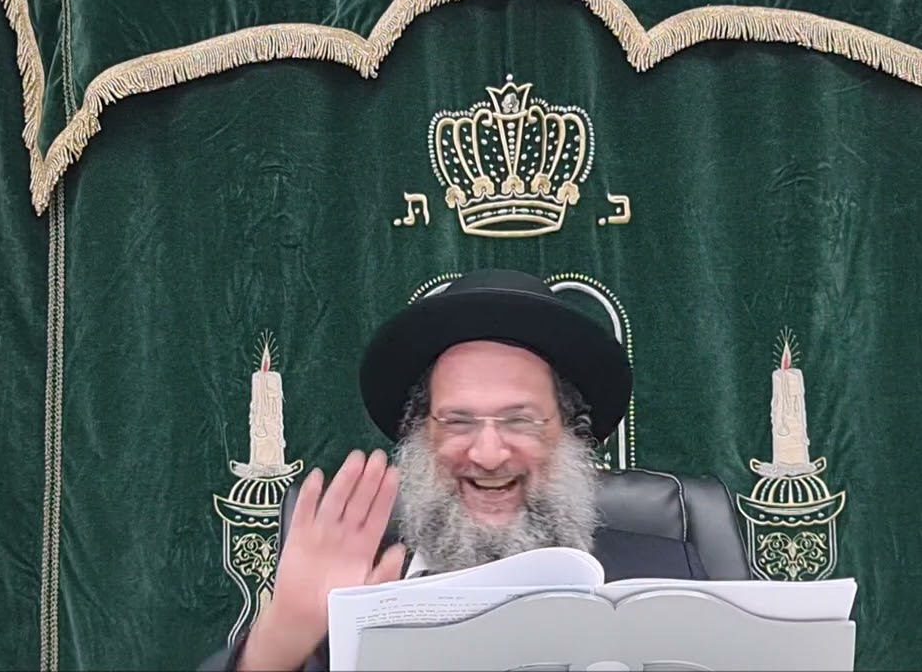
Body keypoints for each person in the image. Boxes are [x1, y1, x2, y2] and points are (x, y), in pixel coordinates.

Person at [201, 269, 709, 671]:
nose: (487, 454)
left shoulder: (669, 578)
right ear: (419, 435)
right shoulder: (350, 593)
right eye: (458, 421)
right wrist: (279, 644)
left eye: (520, 420)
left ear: (571, 434)